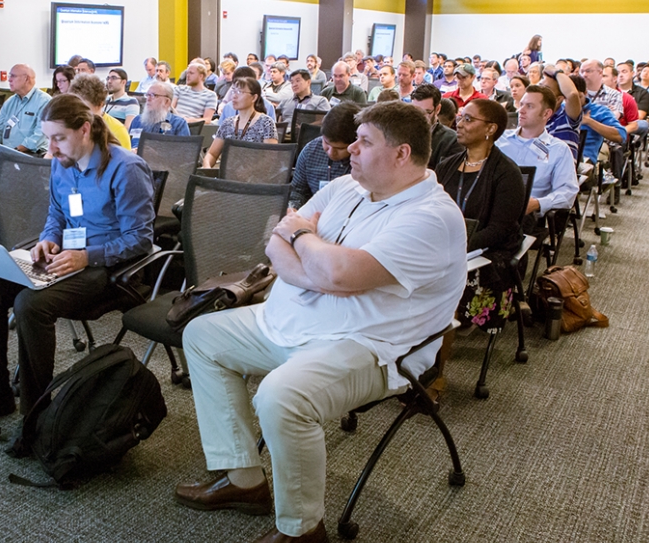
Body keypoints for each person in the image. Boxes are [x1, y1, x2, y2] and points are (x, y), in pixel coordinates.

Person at [174, 100, 466, 543]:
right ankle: (244, 480)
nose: (351, 149)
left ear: (402, 154)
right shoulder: (348, 186)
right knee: (201, 335)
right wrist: (312, 265)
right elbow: (277, 239)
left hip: (370, 345)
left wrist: (305, 240)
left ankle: (303, 529)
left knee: (281, 397)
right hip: (293, 317)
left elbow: (338, 271)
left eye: (365, 142)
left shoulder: (433, 217)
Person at [0, 93, 155, 432]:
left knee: (31, 304)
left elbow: (140, 240)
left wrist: (86, 256)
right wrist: (49, 238)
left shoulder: (126, 168)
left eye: (58, 138)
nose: (51, 149)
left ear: (85, 129)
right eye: (49, 139)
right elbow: (57, 212)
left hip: (112, 271)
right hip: (68, 258)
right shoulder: (62, 163)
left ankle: (36, 414)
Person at [436, 99, 525, 333]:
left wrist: (454, 247)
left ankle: (445, 326)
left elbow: (500, 229)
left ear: (490, 129)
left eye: (468, 119)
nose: (459, 124)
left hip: (485, 249)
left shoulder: (507, 173)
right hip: (446, 242)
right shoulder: (446, 166)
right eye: (459, 117)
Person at [496, 85, 579, 224]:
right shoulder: (499, 140)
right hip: (490, 206)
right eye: (521, 104)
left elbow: (568, 192)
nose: (520, 110)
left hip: (525, 216)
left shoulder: (558, 149)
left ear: (546, 114)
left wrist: (538, 203)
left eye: (529, 106)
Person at [0, 64, 51, 197]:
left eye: (13, 76)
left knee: (10, 175)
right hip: (7, 154)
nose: (9, 79)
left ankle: (13, 206)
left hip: (31, 154)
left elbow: (38, 137)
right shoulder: (10, 102)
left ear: (27, 79)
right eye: (9, 76)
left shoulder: (44, 101)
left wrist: (13, 152)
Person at [288, 102, 360, 209]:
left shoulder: (365, 160)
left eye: (340, 148)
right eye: (326, 143)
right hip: (314, 214)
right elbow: (298, 191)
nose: (331, 152)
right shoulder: (310, 151)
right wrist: (294, 209)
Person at [202, 77, 278, 168]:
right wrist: (206, 167)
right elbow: (212, 154)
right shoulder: (227, 123)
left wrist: (248, 173)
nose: (234, 96)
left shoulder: (265, 122)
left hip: (255, 178)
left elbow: (270, 159)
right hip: (228, 177)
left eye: (239, 92)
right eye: (233, 91)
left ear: (254, 97)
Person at [572, 74, 626, 163]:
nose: (573, 101)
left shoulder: (600, 111)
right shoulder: (560, 110)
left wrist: (590, 122)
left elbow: (621, 135)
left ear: (585, 93)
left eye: (578, 97)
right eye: (568, 98)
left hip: (584, 161)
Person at [70, 73, 132, 150]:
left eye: (84, 108)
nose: (78, 112)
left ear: (100, 104)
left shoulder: (117, 131)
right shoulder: (70, 125)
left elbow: (125, 161)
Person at [411, 84, 463, 170]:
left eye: (427, 112)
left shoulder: (452, 141)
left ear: (438, 109)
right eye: (415, 111)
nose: (420, 117)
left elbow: (449, 177)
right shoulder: (401, 132)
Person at [128, 81, 190, 149]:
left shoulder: (178, 124)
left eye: (154, 95)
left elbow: (184, 155)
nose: (148, 99)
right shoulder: (137, 121)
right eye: (147, 95)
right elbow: (126, 146)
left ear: (167, 102)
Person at [542, 65, 586, 160]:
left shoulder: (566, 117)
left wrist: (556, 72)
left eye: (546, 89)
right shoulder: (532, 117)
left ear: (558, 99)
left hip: (561, 171)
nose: (540, 92)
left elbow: (572, 94)